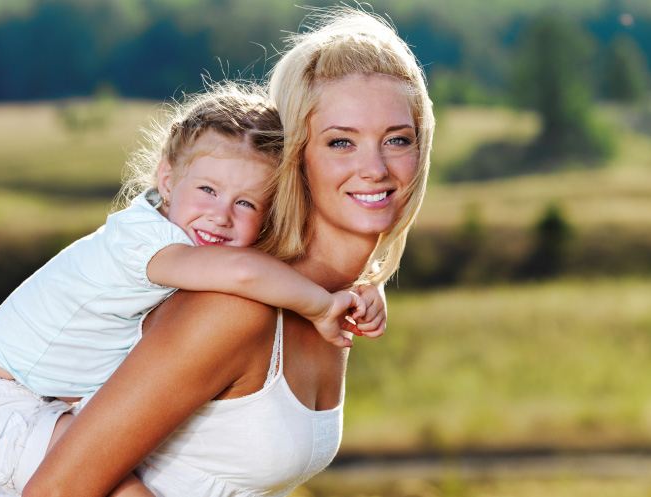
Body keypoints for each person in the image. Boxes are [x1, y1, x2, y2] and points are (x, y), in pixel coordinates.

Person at [23, 6, 434, 497]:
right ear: (295, 157)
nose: (374, 168)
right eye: (341, 142)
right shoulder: (233, 309)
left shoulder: (330, 301)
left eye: (397, 140)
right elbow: (54, 491)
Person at [0, 84, 387, 497]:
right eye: (208, 190)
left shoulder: (187, 244)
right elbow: (244, 274)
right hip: (2, 406)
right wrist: (323, 305)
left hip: (37, 397)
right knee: (118, 487)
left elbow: (270, 268)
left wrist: (364, 288)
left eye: (246, 203)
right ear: (167, 179)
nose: (221, 216)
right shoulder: (148, 241)